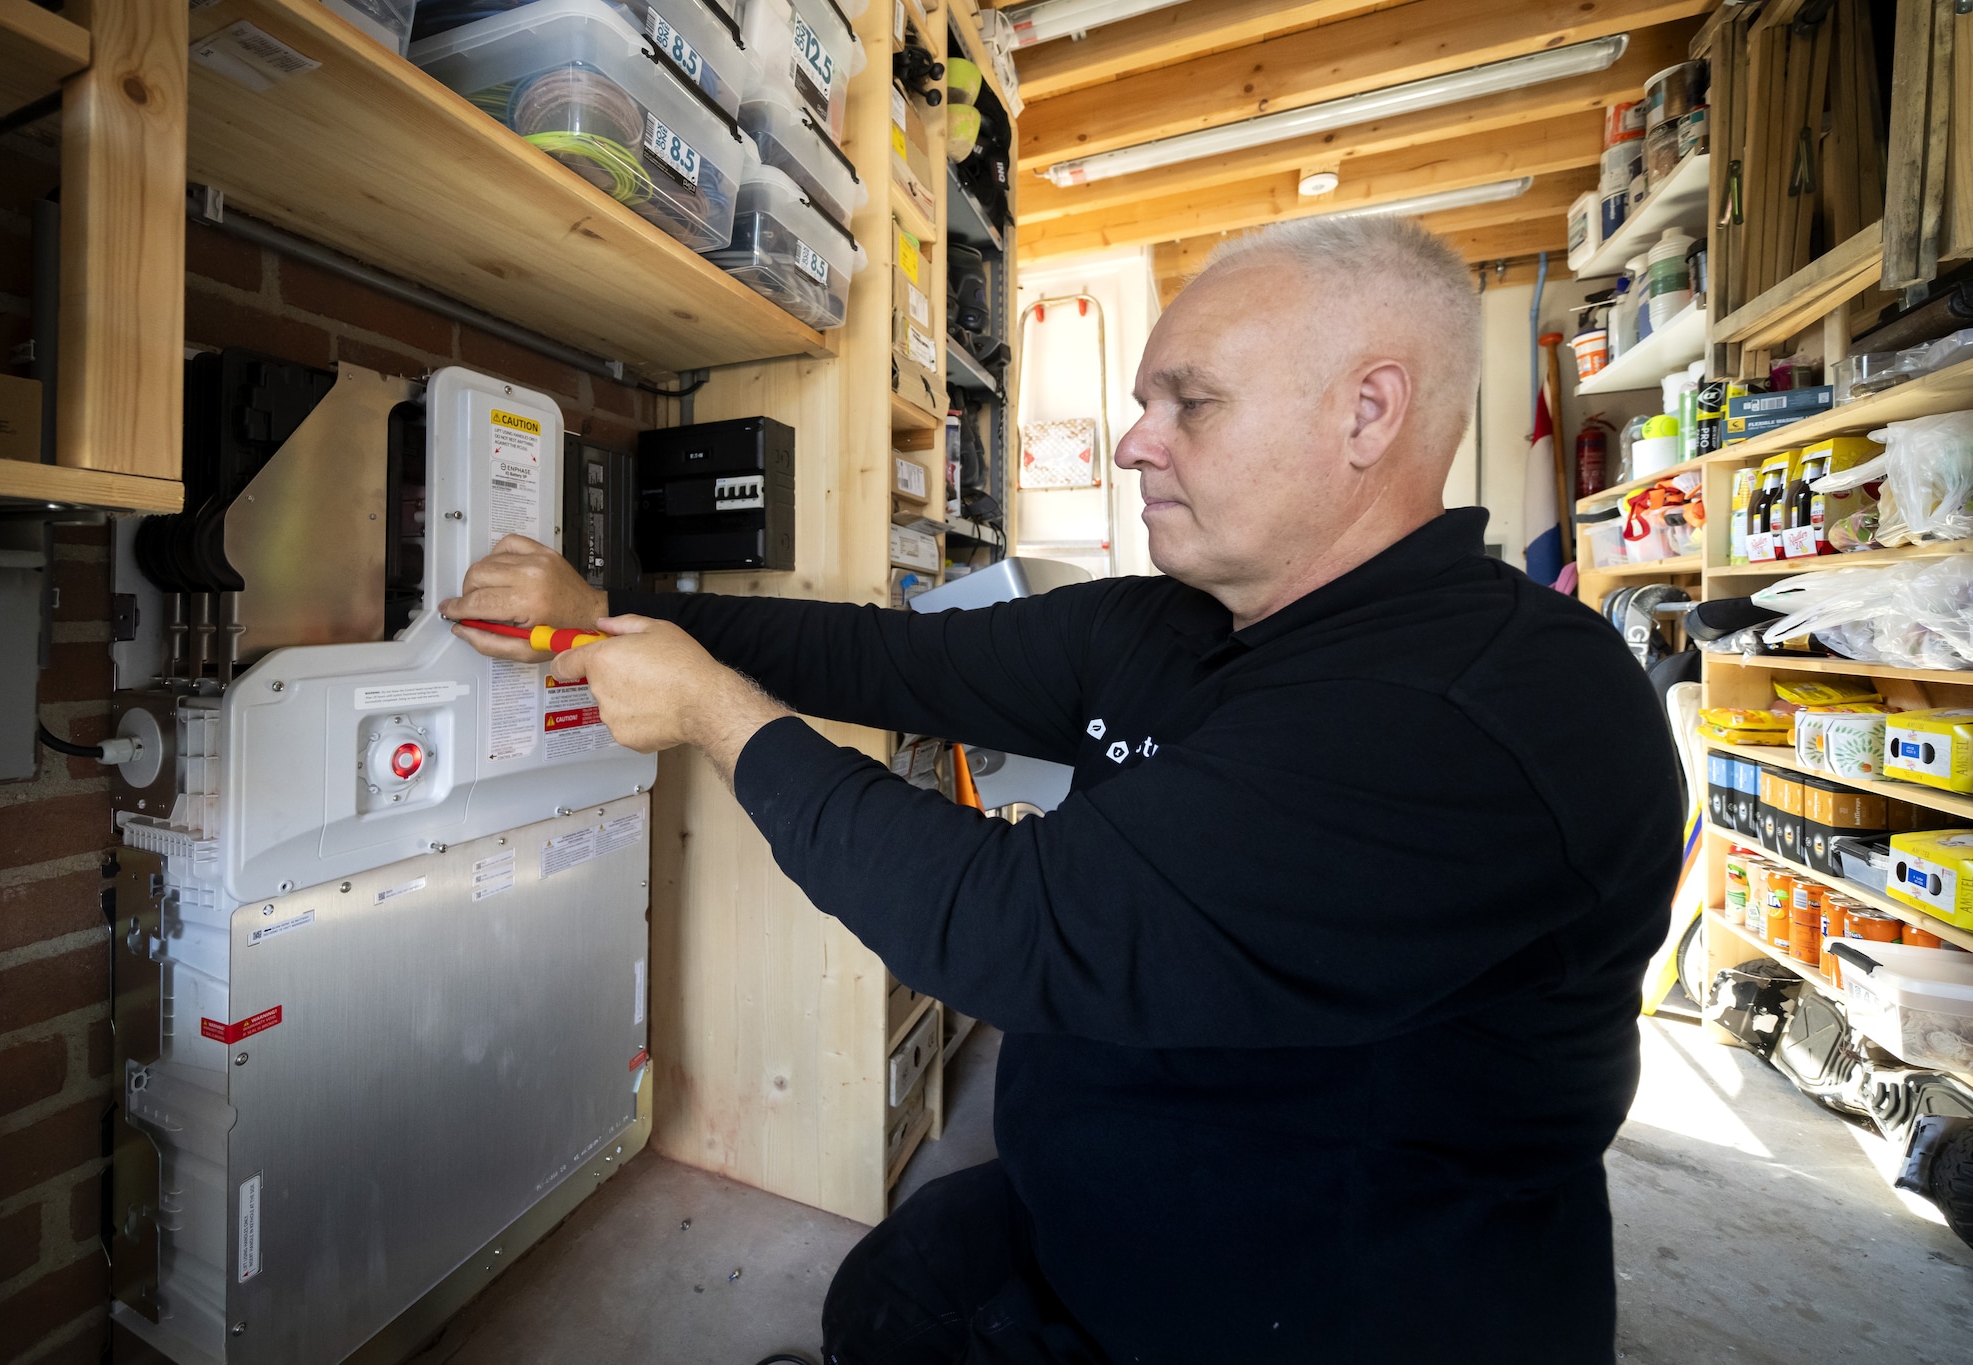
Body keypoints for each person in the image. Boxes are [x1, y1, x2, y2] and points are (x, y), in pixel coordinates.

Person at [440, 214, 1681, 1363]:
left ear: (1366, 415)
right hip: (1102, 1205)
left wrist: (715, 714)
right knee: (882, 1296)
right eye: (1145, 400)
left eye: (1187, 403)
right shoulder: (1166, 625)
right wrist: (608, 612)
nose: (1136, 440)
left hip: (1331, 1308)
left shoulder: (1484, 713)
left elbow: (1013, 929)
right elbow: (883, 659)